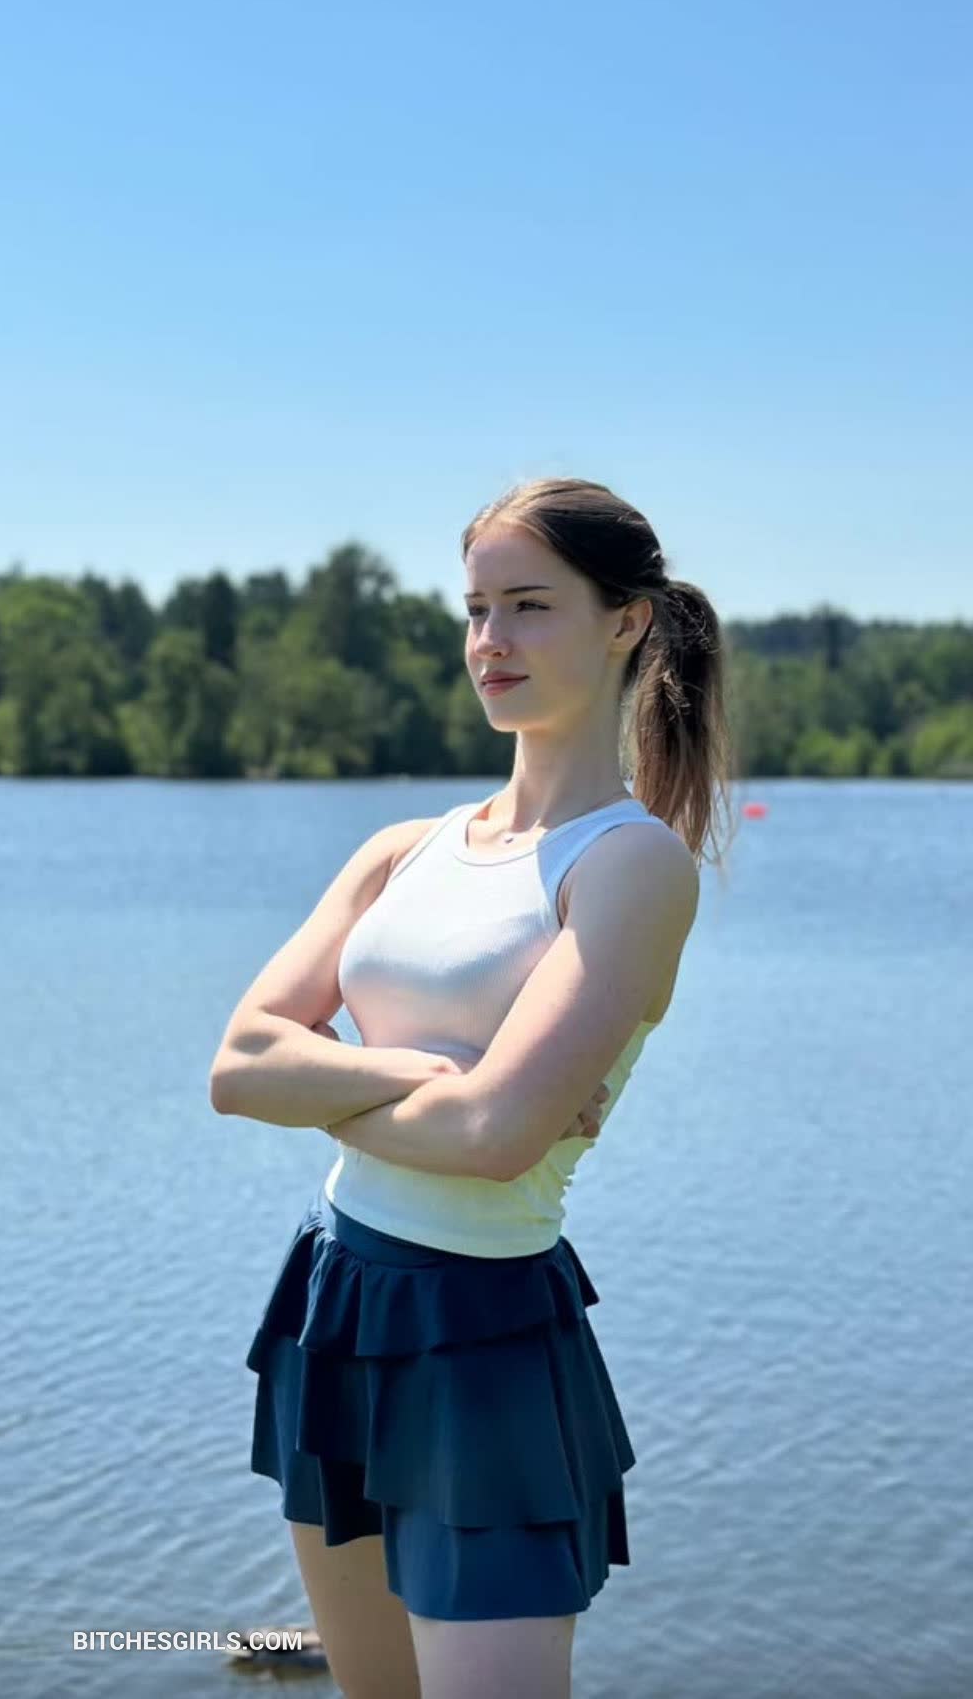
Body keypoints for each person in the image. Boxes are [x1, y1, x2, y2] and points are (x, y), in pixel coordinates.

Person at [209, 477, 733, 1699]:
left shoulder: (631, 864)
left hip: (484, 1329)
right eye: (477, 608)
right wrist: (428, 1075)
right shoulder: (403, 849)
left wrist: (341, 1082)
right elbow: (237, 1066)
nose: (491, 639)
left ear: (626, 622)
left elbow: (497, 1135)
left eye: (530, 605)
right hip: (334, 1293)